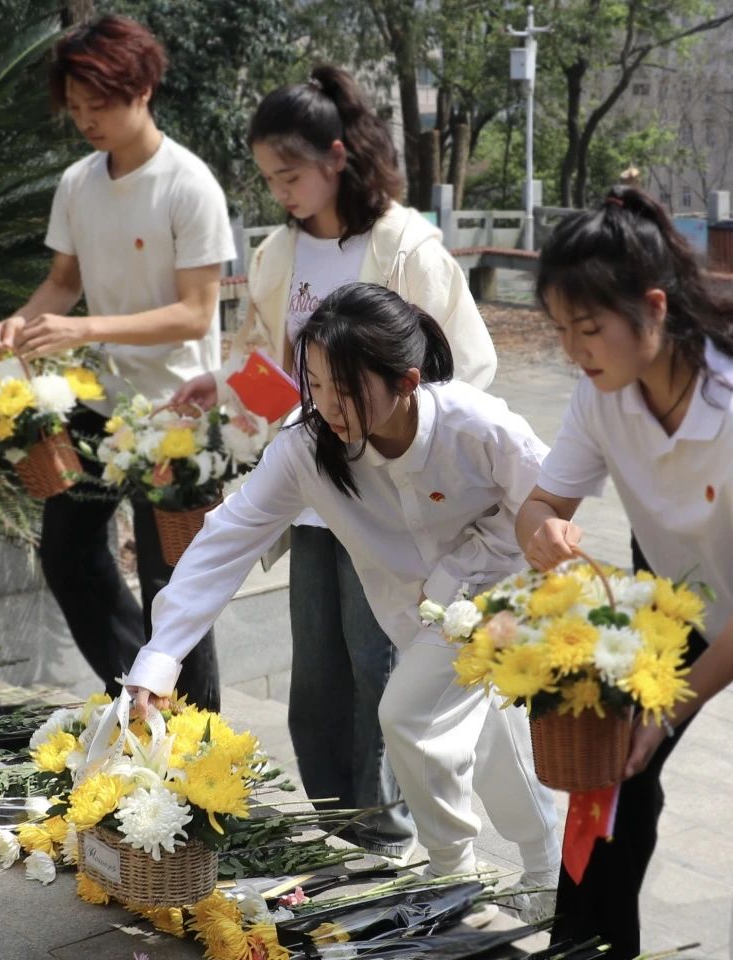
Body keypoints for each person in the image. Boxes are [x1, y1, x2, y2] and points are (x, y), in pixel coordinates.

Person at [128, 282, 559, 911]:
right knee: (490, 735)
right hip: (414, 617)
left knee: (406, 715)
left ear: (407, 381)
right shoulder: (307, 448)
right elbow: (228, 537)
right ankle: (547, 876)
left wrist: (468, 571)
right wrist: (160, 656)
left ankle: (453, 882)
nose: (328, 405)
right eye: (317, 383)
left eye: (347, 388)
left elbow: (546, 502)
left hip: (498, 598)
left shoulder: (476, 425)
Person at [170, 67, 496, 856]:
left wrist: (405, 450)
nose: (280, 191)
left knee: (379, 669)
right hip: (315, 493)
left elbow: (463, 367)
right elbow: (268, 364)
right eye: (269, 178)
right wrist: (224, 383)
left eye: (290, 174)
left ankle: (386, 840)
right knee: (316, 677)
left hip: (389, 496)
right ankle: (333, 832)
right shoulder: (279, 252)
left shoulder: (405, 247)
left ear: (337, 157)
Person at [0, 14, 235, 709]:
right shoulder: (77, 182)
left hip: (176, 414)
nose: (86, 121)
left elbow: (195, 312)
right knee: (67, 555)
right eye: (75, 108)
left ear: (143, 89)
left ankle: (199, 738)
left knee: (173, 586)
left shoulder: (189, 184)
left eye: (99, 104)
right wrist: (20, 323)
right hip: (96, 406)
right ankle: (135, 696)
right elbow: (62, 282)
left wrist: (85, 327)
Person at [516, 186, 733, 958]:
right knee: (611, 766)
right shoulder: (600, 395)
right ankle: (587, 945)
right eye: (560, 331)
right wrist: (542, 531)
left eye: (589, 329)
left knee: (643, 736)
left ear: (654, 308)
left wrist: (667, 711)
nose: (575, 350)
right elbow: (540, 502)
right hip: (680, 594)